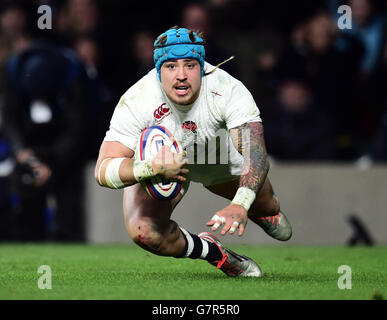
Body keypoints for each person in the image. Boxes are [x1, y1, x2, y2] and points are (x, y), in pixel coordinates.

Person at [95, 26, 292, 277]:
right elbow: (102, 170)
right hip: (164, 165)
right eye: (170, 66)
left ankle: (260, 211)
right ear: (158, 70)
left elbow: (256, 155)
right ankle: (214, 252)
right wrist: (151, 168)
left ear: (203, 67)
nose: (181, 75)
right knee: (145, 233)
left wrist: (240, 204)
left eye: (190, 65)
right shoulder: (138, 99)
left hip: (218, 159)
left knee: (268, 206)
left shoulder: (227, 89)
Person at [2, 42, 88, 241]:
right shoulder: (14, 72)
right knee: (27, 208)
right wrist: (20, 150)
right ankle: (28, 245)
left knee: (69, 212)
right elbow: (10, 119)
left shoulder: (72, 74)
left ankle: (69, 248)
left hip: (64, 146)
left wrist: (54, 163)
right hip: (29, 141)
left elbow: (76, 129)